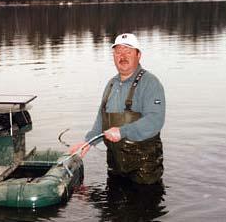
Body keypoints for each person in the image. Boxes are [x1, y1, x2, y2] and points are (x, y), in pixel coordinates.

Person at [70, 33, 165, 184]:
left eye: (128, 51)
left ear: (138, 55)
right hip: (115, 168)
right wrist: (87, 142)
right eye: (118, 51)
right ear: (114, 56)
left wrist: (122, 132)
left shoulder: (150, 83)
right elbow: (102, 119)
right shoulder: (111, 84)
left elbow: (155, 120)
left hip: (144, 172)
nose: (123, 56)